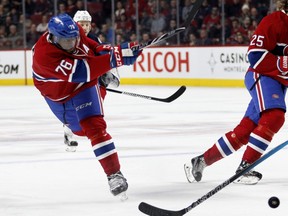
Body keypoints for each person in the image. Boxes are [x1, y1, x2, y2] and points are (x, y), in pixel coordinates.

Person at [32, 13, 141, 199]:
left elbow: (91, 46)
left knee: (94, 127)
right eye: (67, 42)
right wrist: (117, 59)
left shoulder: (73, 32)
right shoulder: (44, 55)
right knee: (79, 130)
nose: (73, 45)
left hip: (84, 87)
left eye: (75, 38)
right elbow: (83, 71)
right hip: (59, 97)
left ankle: (114, 174)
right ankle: (69, 127)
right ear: (53, 38)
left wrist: (112, 51)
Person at [184, 0, 288, 185]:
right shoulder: (274, 21)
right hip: (261, 76)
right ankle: (245, 167)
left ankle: (201, 161)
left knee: (246, 130)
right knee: (275, 116)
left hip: (278, 84)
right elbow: (254, 55)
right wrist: (282, 63)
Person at [63, 10, 120, 152]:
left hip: (92, 79)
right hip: (75, 80)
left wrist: (109, 74)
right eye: (81, 24)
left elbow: (105, 57)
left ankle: (94, 131)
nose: (85, 27)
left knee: (95, 105)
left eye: (87, 24)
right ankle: (68, 131)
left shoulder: (95, 39)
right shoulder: (68, 40)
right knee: (74, 109)